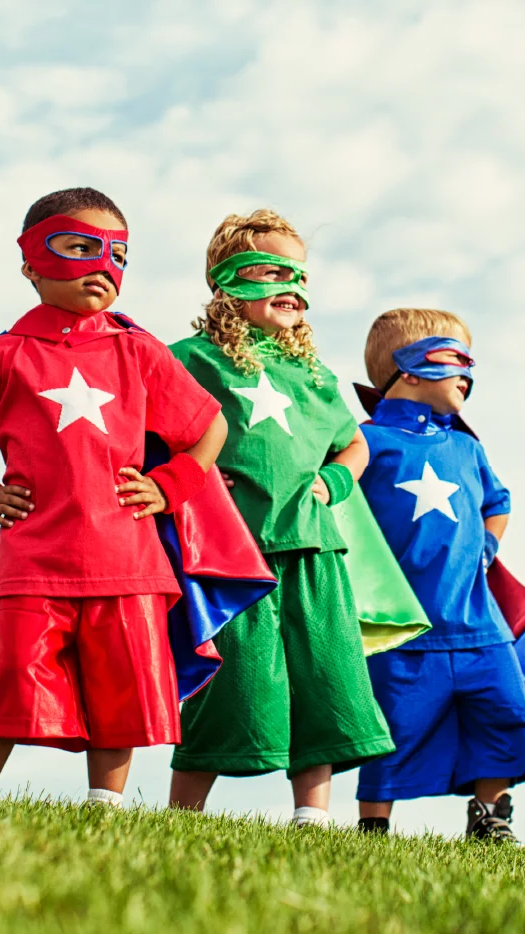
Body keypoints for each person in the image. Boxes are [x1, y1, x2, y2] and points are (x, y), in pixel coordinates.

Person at [0, 187, 231, 807]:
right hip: (34, 557)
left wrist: (171, 485)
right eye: (80, 247)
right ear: (33, 262)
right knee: (9, 676)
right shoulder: (3, 354)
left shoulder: (138, 349)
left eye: (116, 253)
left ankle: (104, 810)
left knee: (123, 690)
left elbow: (208, 426)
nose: (102, 265)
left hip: (129, 561)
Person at [164, 210, 399, 829]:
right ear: (228, 280)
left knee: (324, 675)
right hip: (229, 554)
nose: (292, 286)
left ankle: (311, 817)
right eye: (273, 271)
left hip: (315, 549)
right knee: (231, 681)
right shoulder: (190, 359)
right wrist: (196, 476)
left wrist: (333, 479)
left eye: (299, 274)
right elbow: (149, 433)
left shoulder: (313, 375)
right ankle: (183, 815)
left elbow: (355, 443)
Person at [353, 308, 525, 843]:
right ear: (409, 369)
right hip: (401, 626)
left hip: (480, 624)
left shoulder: (466, 446)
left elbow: (498, 501)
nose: (468, 373)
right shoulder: (367, 441)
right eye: (454, 357)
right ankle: (372, 828)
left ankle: (491, 819)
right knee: (391, 728)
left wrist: (488, 543)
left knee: (503, 713)